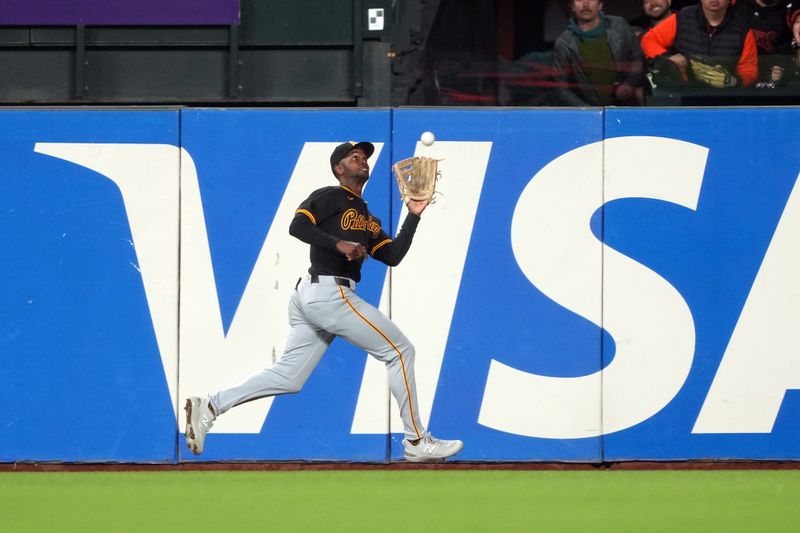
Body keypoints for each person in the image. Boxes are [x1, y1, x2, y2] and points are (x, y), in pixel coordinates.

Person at [184, 141, 464, 463]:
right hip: (328, 293)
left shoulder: (368, 218)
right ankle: (416, 440)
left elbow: (393, 255)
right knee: (400, 351)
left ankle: (210, 405)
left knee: (289, 377)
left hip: (316, 297)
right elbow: (297, 226)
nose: (362, 161)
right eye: (354, 157)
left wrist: (413, 215)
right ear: (339, 169)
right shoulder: (330, 195)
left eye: (364, 158)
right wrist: (338, 243)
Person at [641, 0, 759, 88]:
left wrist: (733, 82)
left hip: (724, 99)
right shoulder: (682, 18)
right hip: (683, 94)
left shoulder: (742, 30)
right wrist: (667, 57)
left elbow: (749, 71)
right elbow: (649, 40)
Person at [552, 0, 643, 106]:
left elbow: (637, 57)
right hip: (590, 114)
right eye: (580, 0)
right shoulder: (564, 43)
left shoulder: (619, 26)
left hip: (626, 108)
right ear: (572, 6)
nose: (585, 4)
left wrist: (630, 83)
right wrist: (586, 110)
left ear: (600, 5)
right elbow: (560, 87)